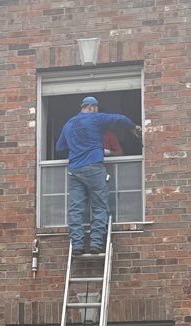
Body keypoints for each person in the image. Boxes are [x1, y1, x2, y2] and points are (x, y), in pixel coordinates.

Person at [56, 97, 142, 255]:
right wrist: (134, 127)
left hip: (75, 170)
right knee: (99, 206)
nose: (96, 110)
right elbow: (120, 119)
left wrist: (77, 147)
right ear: (91, 107)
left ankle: (77, 245)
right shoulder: (96, 118)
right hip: (94, 168)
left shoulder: (68, 124)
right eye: (95, 108)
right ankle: (96, 243)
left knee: (76, 209)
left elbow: (59, 147)